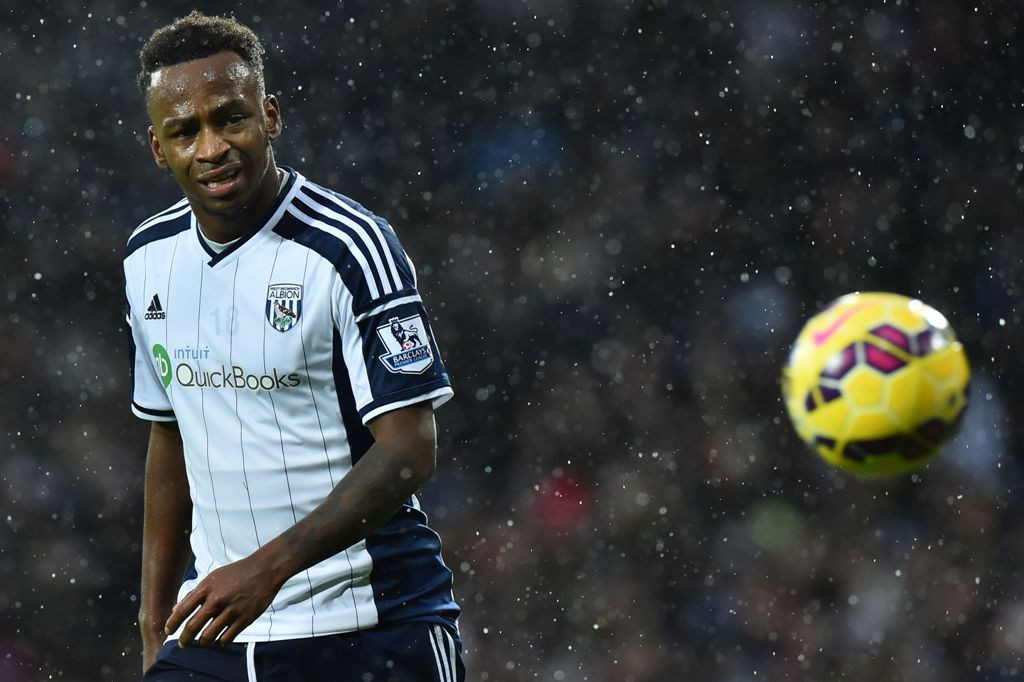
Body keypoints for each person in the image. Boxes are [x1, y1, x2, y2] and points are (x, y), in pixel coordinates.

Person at [125, 11, 464, 681]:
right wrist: (152, 617)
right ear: (159, 149)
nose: (212, 147)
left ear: (271, 116)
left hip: (373, 629)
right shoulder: (147, 257)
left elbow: (410, 446)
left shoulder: (351, 247)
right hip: (214, 636)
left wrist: (269, 568)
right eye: (185, 131)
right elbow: (169, 435)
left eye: (230, 118)